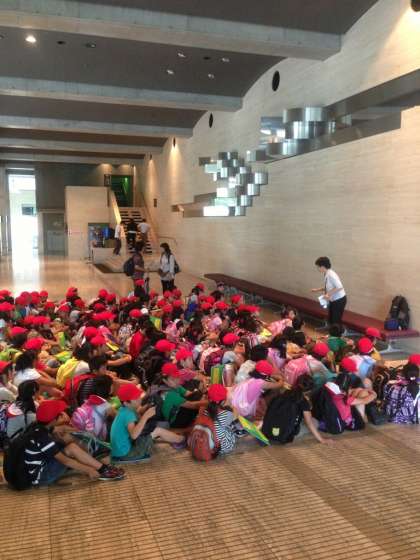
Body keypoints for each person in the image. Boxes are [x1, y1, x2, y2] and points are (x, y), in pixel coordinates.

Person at [24, 400, 124, 486]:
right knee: (71, 448)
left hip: (42, 463)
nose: (62, 414)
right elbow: (65, 461)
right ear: (53, 420)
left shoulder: (39, 426)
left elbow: (63, 428)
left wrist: (80, 432)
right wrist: (88, 470)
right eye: (60, 414)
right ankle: (103, 469)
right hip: (42, 476)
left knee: (67, 439)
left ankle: (96, 463)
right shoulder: (43, 438)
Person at [110, 383, 185, 463]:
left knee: (153, 430)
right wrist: (145, 416)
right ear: (126, 403)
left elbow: (137, 417)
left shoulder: (124, 410)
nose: (139, 399)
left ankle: (178, 438)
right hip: (127, 454)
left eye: (139, 396)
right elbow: (134, 435)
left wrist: (146, 407)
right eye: (136, 398)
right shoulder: (128, 414)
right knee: (157, 430)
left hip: (120, 451)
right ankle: (182, 439)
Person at [312, 256, 347, 326]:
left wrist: (328, 294)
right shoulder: (326, 273)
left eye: (318, 267)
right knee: (331, 319)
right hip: (334, 300)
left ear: (322, 266)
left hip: (339, 300)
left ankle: (337, 332)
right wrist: (317, 290)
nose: (317, 269)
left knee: (335, 321)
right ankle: (332, 331)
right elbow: (329, 287)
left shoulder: (331, 274)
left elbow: (340, 287)